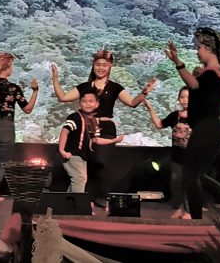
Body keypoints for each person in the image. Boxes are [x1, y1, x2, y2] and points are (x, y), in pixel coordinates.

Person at [51, 50, 156, 208]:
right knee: (85, 163)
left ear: (110, 66)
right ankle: (82, 199)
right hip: (85, 127)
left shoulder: (114, 87)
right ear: (93, 66)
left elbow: (132, 102)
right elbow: (63, 97)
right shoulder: (85, 86)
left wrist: (144, 93)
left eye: (104, 65)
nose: (101, 68)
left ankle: (94, 196)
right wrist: (55, 79)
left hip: (106, 128)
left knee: (100, 162)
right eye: (98, 65)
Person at [165, 27, 220, 219]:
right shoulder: (214, 73)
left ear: (209, 49)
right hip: (213, 127)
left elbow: (193, 84)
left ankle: (195, 217)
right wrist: (177, 61)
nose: (197, 51)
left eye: (199, 48)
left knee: (190, 174)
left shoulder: (212, 74)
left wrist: (177, 62)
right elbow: (195, 84)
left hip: (208, 127)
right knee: (198, 174)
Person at [0, 52, 39, 206]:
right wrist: (35, 91)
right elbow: (27, 109)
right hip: (4, 128)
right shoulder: (12, 88)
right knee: (3, 164)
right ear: (7, 68)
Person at [58, 91, 123, 193]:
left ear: (97, 104)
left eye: (91, 101)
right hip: (71, 153)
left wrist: (114, 140)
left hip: (82, 155)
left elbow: (96, 140)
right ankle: (77, 202)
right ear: (80, 103)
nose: (87, 104)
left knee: (80, 179)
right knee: (79, 179)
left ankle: (67, 201)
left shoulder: (92, 121)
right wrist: (62, 150)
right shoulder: (75, 117)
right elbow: (65, 131)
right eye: (84, 101)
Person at [144, 87, 192, 219]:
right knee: (176, 182)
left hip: (192, 157)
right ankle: (178, 208)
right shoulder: (175, 115)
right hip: (177, 156)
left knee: (189, 182)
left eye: (188, 97)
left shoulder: (198, 116)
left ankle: (188, 210)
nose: (185, 100)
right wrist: (150, 108)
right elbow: (159, 125)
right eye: (182, 97)